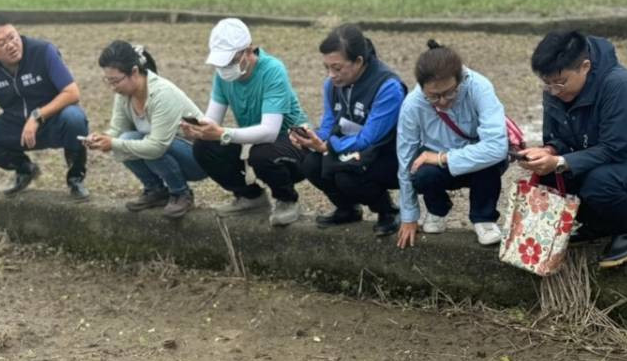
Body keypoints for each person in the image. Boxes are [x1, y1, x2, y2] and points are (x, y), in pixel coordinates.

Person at [519, 30, 627, 268]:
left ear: (584, 66)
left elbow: (615, 149)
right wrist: (550, 150)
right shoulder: (555, 89)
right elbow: (558, 139)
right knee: (549, 178)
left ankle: (626, 231)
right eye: (547, 83)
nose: (554, 90)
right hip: (601, 159)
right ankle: (597, 228)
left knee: (599, 182)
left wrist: (561, 161)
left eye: (559, 83)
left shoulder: (619, 86)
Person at [181, 17, 310, 227]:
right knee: (204, 147)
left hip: (294, 142)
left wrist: (223, 133)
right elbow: (212, 120)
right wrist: (199, 130)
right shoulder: (222, 76)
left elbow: (270, 131)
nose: (224, 68)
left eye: (231, 61)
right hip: (255, 142)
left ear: (248, 51)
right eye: (220, 63)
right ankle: (250, 197)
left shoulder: (273, 70)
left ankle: (287, 199)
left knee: (262, 154)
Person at [395, 40, 509, 250]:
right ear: (422, 87)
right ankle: (438, 209)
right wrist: (409, 216)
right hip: (439, 167)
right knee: (419, 173)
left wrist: (442, 157)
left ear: (460, 79)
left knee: (490, 162)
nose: (443, 101)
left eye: (449, 92)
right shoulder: (412, 105)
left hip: (478, 161)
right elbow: (405, 161)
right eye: (433, 96)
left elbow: (496, 147)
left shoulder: (479, 87)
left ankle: (484, 218)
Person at [293, 24, 405, 237]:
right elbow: (328, 124)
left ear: (359, 62)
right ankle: (347, 209)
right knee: (310, 162)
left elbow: (369, 139)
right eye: (326, 68)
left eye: (337, 68)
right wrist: (312, 138)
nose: (331, 75)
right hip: (350, 149)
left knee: (345, 173)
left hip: (387, 155)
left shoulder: (388, 87)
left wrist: (329, 146)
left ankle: (387, 211)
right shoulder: (331, 85)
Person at [0, 15, 90, 200]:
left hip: (52, 120)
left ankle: (76, 178)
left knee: (75, 118)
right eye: (2, 43)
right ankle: (24, 168)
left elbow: (72, 93)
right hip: (17, 127)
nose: (11, 45)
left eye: (13, 37)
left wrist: (38, 116)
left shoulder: (43, 51)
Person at [85, 40, 207, 219]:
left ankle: (181, 193)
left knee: (140, 143)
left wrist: (114, 142)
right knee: (127, 138)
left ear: (134, 72)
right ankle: (156, 190)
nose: (112, 87)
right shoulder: (124, 93)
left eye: (115, 81)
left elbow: (156, 146)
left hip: (196, 158)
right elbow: (117, 132)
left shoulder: (162, 94)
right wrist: (102, 138)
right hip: (163, 149)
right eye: (108, 81)